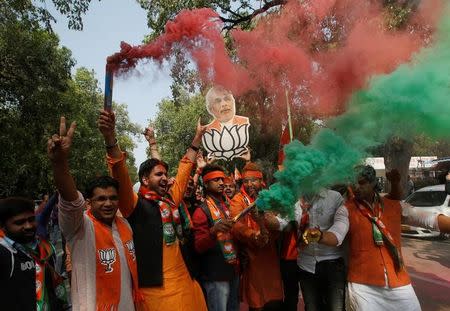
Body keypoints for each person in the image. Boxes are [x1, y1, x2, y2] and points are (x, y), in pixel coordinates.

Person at [99, 109, 207, 311]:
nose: (165, 178)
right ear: (145, 180)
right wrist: (110, 138)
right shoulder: (134, 205)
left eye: (166, 174)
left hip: (186, 283)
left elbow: (185, 168)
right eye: (159, 175)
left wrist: (197, 138)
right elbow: (119, 170)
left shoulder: (171, 199)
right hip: (156, 294)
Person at [48, 117, 140, 310]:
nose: (108, 203)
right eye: (101, 199)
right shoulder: (80, 227)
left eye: (113, 198)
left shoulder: (125, 226)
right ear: (89, 203)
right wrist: (60, 163)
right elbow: (70, 201)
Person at [335, 166, 450, 311]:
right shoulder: (345, 209)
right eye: (354, 183)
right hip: (362, 286)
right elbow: (336, 234)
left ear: (373, 183)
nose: (357, 187)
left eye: (362, 182)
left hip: (398, 281)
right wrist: (320, 236)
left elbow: (429, 220)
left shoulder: (394, 205)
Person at [230, 162, 283, 311]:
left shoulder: (270, 197)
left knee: (274, 301)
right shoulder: (238, 199)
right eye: (246, 181)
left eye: (253, 180)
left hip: (271, 254)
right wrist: (253, 235)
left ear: (261, 181)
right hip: (253, 256)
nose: (249, 184)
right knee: (257, 302)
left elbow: (279, 221)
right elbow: (237, 226)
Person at [0, 197, 68, 310]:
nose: (28, 226)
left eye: (31, 219)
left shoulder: (46, 249)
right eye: (19, 222)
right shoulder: (4, 252)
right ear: (3, 225)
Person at [192, 164, 240, 311]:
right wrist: (213, 232)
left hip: (232, 271)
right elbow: (198, 246)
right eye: (216, 180)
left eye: (222, 179)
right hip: (215, 276)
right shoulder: (201, 211)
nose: (221, 183)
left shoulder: (226, 206)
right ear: (205, 184)